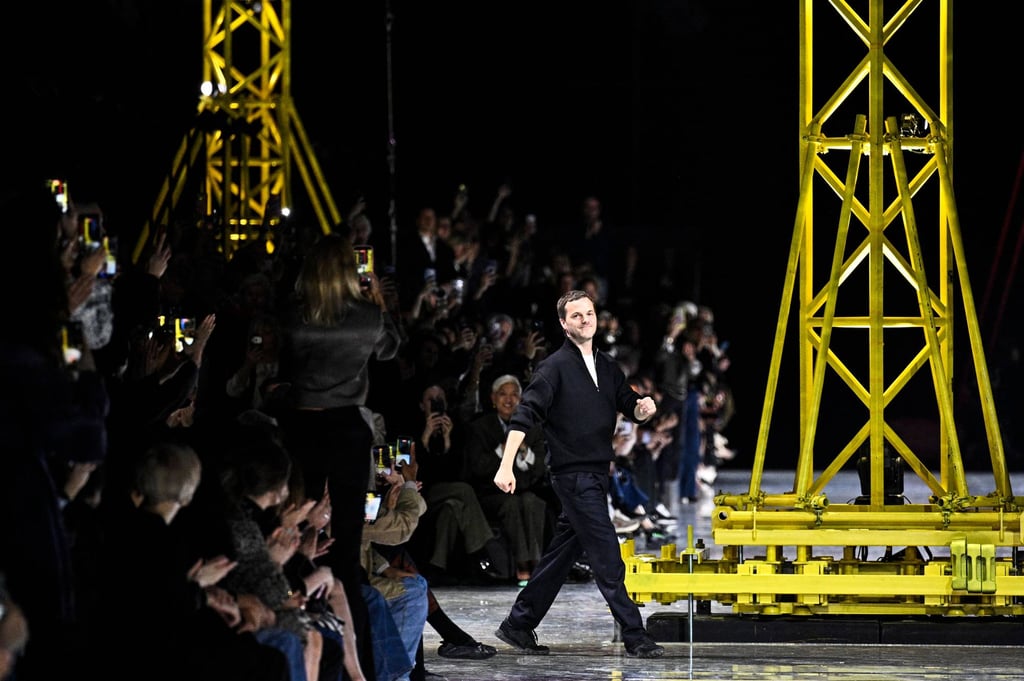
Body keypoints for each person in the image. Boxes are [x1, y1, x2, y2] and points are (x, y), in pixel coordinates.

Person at [491, 289, 665, 658]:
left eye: (589, 313)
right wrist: (506, 465)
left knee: (562, 555)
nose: (585, 320)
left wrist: (642, 409)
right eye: (576, 315)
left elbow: (628, 402)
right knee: (607, 555)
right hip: (573, 476)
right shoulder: (553, 367)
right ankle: (635, 634)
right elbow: (525, 415)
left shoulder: (607, 365)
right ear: (563, 323)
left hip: (597, 474)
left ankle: (518, 623)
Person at [271, 232, 402, 675]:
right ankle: (358, 667)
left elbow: (283, 359)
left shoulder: (292, 314)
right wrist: (378, 301)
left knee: (298, 530)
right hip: (347, 430)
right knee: (345, 551)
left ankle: (306, 655)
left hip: (300, 426)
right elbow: (390, 350)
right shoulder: (366, 316)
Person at [463, 374, 554, 584]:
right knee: (511, 504)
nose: (509, 399)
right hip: (491, 493)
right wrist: (502, 450)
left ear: (521, 400)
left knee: (531, 502)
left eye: (514, 395)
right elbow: (477, 468)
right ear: (493, 399)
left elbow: (541, 467)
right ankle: (522, 564)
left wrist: (524, 451)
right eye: (503, 394)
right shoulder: (480, 427)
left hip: (526, 490)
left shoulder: (533, 427)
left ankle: (535, 562)